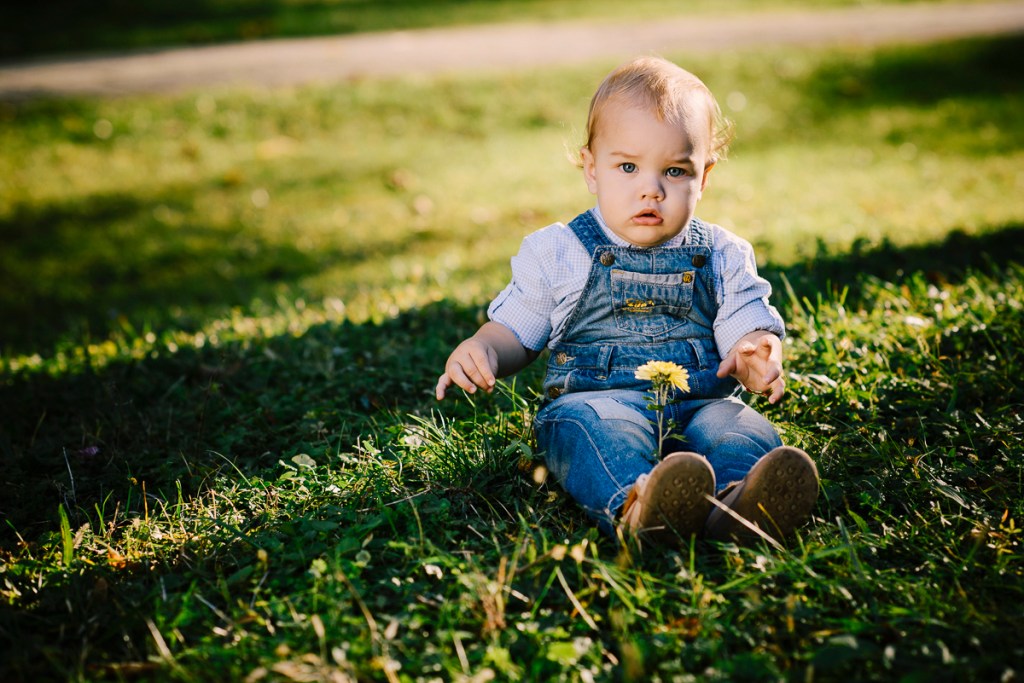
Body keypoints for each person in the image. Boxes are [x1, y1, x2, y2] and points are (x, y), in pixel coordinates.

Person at [435, 56, 818, 547]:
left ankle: (740, 502)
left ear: (704, 178)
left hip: (701, 402)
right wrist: (485, 348)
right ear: (592, 169)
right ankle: (640, 507)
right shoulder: (560, 251)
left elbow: (745, 323)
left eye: (675, 170)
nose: (651, 189)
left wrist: (755, 351)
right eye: (628, 166)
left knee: (739, 428)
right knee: (595, 433)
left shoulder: (722, 253)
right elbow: (517, 329)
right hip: (597, 400)